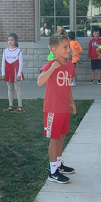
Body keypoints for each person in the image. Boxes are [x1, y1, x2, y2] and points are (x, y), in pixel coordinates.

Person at [37, 34, 77, 184]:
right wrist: (53, 67)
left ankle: (59, 164)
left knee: (61, 137)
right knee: (54, 139)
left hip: (64, 108)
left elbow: (68, 88)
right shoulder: (50, 64)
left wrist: (71, 103)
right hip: (53, 109)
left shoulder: (70, 65)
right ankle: (53, 171)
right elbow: (40, 81)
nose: (68, 50)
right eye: (65, 47)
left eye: (69, 47)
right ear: (54, 50)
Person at [1, 33, 25, 112]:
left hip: (16, 71)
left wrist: (19, 74)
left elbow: (20, 63)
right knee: (10, 89)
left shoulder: (19, 51)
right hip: (8, 71)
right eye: (8, 40)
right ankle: (10, 106)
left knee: (17, 88)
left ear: (15, 41)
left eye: (12, 40)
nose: (10, 42)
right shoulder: (5, 51)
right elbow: (3, 63)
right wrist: (3, 73)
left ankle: (20, 106)